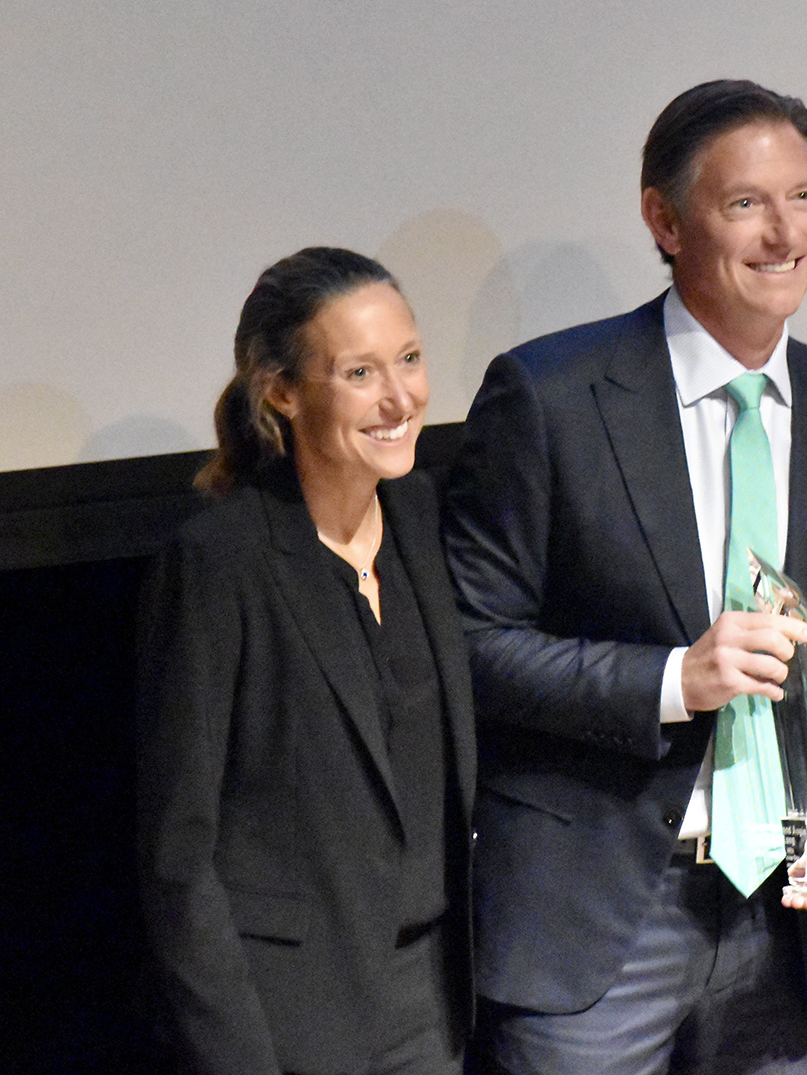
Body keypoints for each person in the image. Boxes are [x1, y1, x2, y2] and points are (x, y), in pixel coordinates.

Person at [442, 80, 807, 1075]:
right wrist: (672, 680)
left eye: (805, 196)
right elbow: (471, 646)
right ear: (663, 218)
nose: (786, 233)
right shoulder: (552, 396)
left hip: (782, 914)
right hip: (600, 914)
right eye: (745, 203)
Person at [136, 247, 476, 1075]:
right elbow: (178, 853)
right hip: (292, 1019)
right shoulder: (220, 561)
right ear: (281, 391)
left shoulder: (421, 516)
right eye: (360, 372)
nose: (400, 399)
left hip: (432, 1003)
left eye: (410, 359)